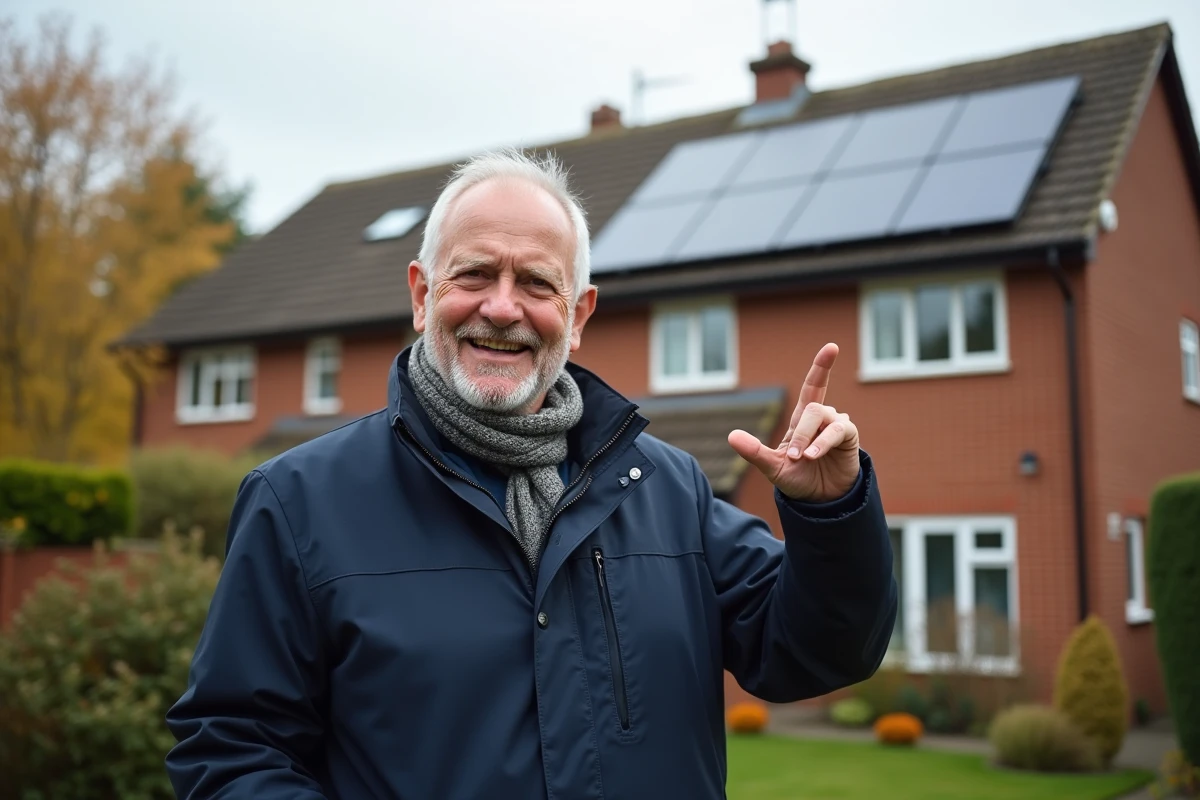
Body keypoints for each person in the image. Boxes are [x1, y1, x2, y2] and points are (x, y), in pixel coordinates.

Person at [164, 148, 897, 799]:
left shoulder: (666, 489)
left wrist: (832, 514)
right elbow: (231, 751)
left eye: (537, 284)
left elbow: (818, 652)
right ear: (422, 295)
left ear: (577, 315)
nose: (502, 307)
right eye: (475, 273)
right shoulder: (299, 503)